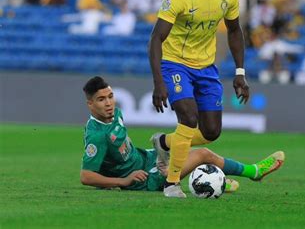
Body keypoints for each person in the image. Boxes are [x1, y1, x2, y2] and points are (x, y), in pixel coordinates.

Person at [148, 0, 253, 198]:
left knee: (211, 132)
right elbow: (156, 39)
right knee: (188, 116)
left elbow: (235, 30)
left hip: (206, 66)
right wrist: (159, 82)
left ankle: (163, 143)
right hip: (175, 62)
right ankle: (172, 184)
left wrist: (240, 72)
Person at [80, 76, 284, 193]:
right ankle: (253, 172)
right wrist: (123, 182)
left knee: (183, 146)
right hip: (143, 179)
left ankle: (213, 181)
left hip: (146, 158)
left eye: (110, 96)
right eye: (101, 99)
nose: (108, 103)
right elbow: (86, 176)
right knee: (202, 153)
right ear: (90, 104)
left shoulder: (115, 113)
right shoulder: (96, 136)